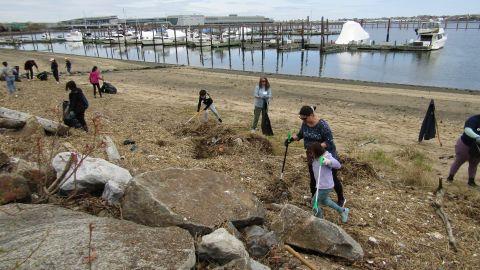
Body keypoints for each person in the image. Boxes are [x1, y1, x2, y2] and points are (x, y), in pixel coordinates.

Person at [285, 105, 347, 207]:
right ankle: (314, 199)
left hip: (325, 156)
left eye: (304, 118)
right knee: (313, 178)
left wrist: (317, 147)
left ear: (311, 115)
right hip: (311, 156)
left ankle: (341, 199)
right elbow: (300, 135)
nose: (303, 120)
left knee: (332, 178)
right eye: (301, 118)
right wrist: (291, 139)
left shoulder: (322, 125)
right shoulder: (305, 124)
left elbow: (329, 142)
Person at [309, 142, 349, 223]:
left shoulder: (326, 156)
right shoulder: (315, 158)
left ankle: (319, 219)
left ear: (317, 151)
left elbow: (338, 165)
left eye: (312, 152)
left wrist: (328, 162)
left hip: (325, 186)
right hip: (320, 185)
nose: (311, 154)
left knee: (314, 202)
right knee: (324, 201)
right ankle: (343, 210)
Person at [447, 114, 480, 187]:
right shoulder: (473, 119)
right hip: (465, 145)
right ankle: (450, 178)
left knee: (474, 164)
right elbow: (468, 130)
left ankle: (471, 182)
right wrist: (477, 137)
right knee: (459, 161)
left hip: (478, 148)